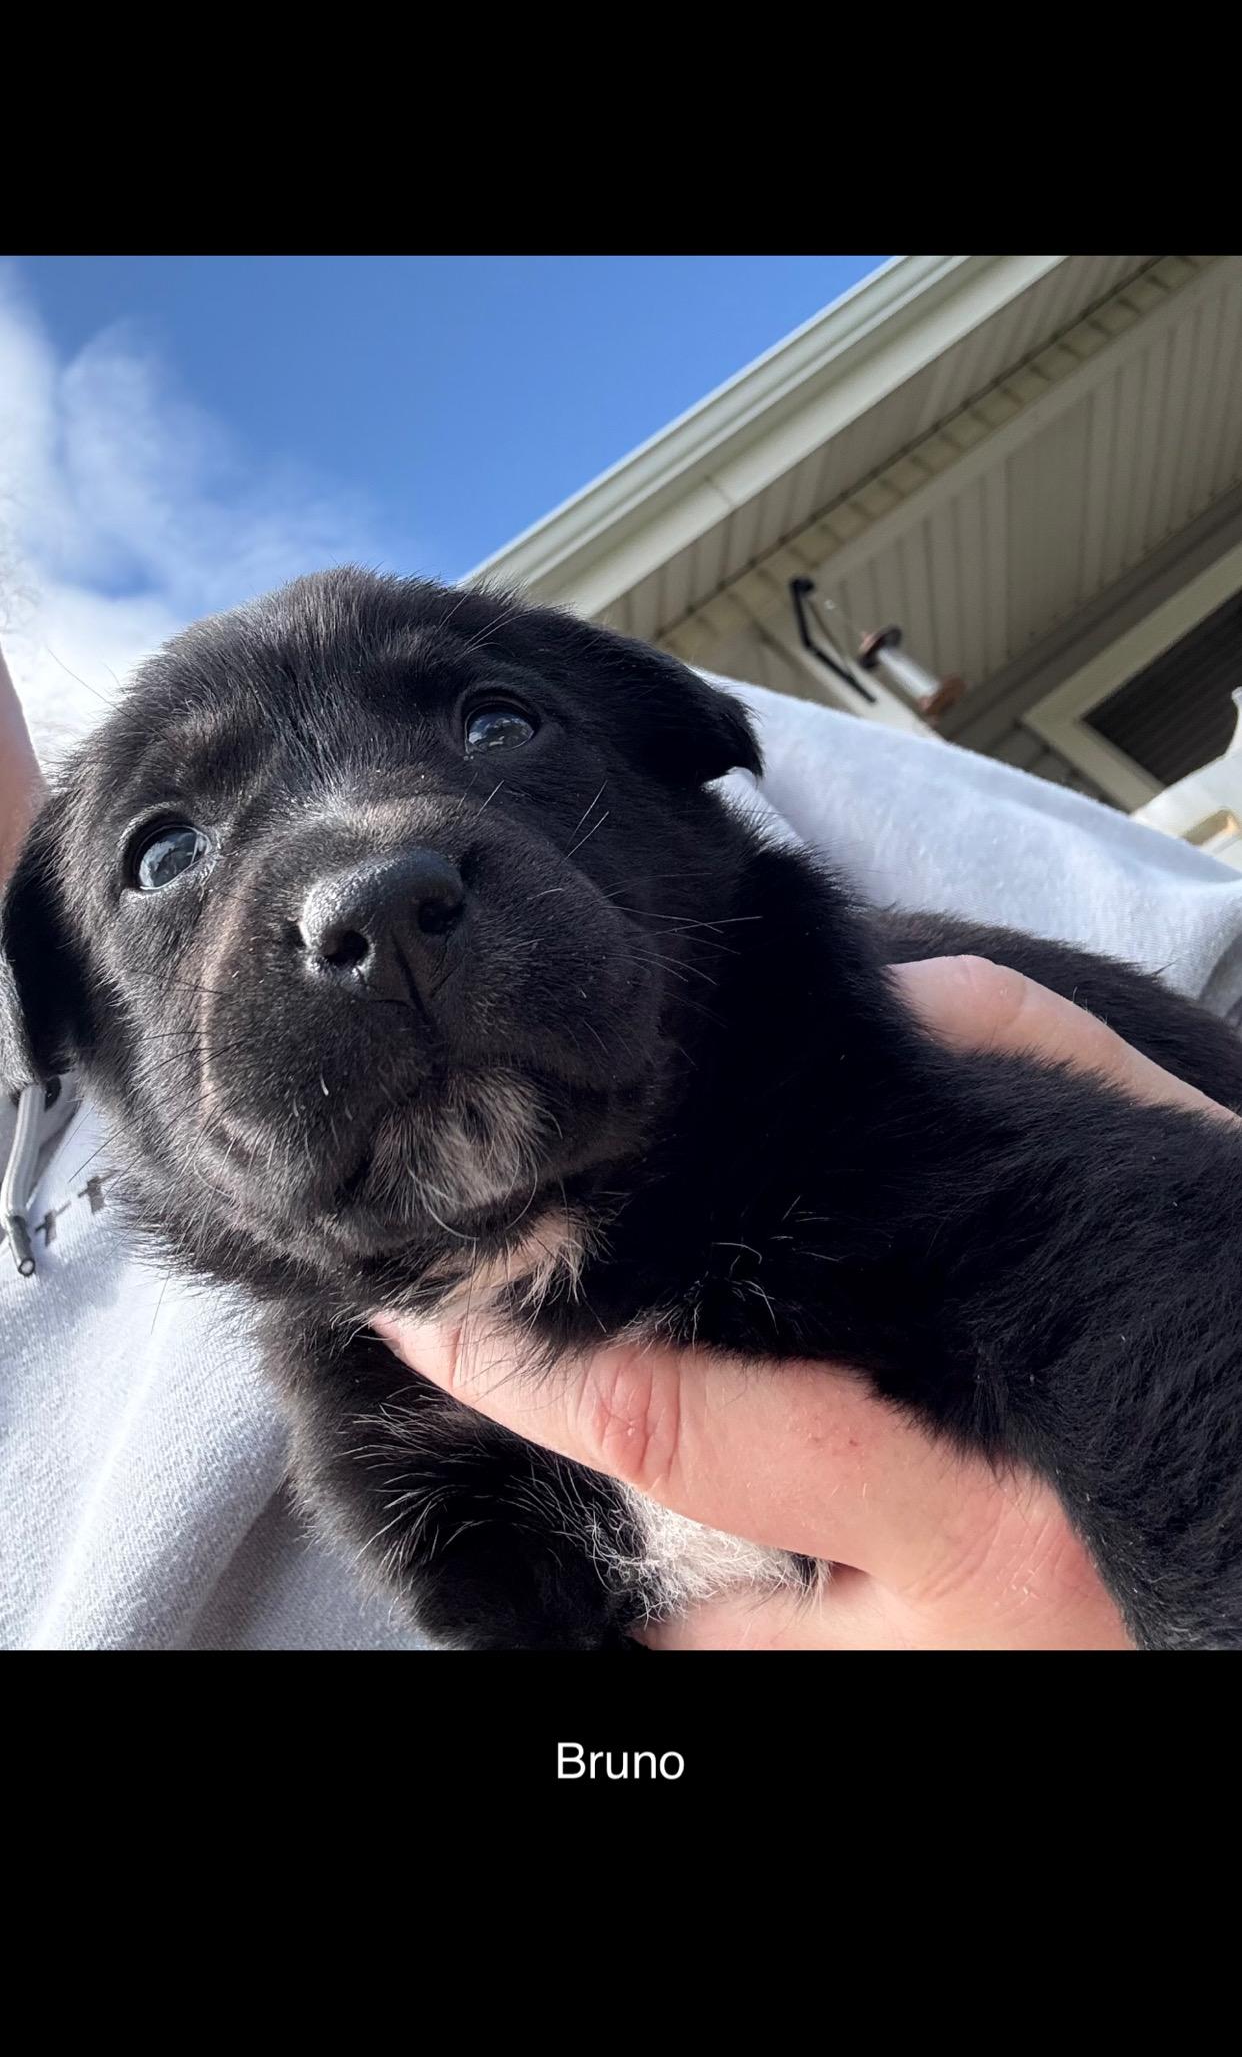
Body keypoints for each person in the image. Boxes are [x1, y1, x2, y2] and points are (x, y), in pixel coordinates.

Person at [4, 635, 1242, 1651]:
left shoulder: (855, 1086)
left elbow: (1152, 1299)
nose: (368, 889)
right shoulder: (377, 1415)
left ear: (678, 770)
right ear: (72, 1035)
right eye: (164, 854)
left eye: (496, 725)